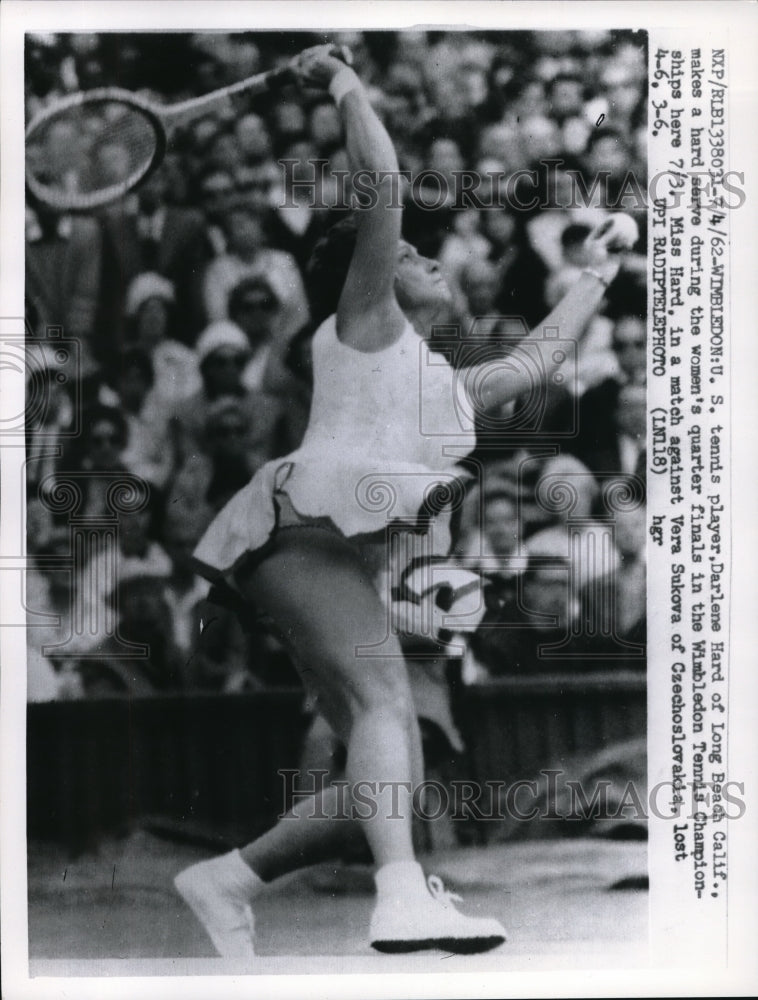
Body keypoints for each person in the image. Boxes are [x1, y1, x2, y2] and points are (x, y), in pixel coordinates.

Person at [173, 44, 631, 960]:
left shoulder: (443, 385)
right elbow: (379, 182)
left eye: (420, 251)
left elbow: (536, 360)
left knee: (388, 770)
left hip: (327, 557)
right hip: (304, 536)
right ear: (368, 270)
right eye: (407, 250)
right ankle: (399, 897)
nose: (419, 256)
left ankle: (226, 879)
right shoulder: (364, 317)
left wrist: (600, 274)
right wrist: (340, 81)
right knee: (388, 706)